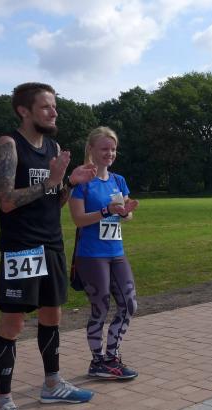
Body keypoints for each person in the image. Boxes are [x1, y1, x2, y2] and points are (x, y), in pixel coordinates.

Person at [0, 82, 97, 410]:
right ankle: (3, 405)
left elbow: (55, 200)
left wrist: (70, 183)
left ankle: (52, 384)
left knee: (53, 315)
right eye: (46, 107)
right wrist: (51, 180)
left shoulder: (52, 147)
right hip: (21, 246)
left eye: (54, 106)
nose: (54, 112)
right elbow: (6, 200)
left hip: (52, 243)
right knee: (14, 323)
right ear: (24, 111)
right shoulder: (10, 144)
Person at [69, 127, 140, 380]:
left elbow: (127, 215)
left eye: (113, 149)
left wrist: (125, 212)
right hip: (91, 255)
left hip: (116, 252)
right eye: (104, 149)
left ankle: (112, 356)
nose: (110, 153)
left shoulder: (118, 180)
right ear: (91, 150)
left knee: (129, 305)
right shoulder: (81, 182)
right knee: (100, 307)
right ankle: (98, 362)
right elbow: (78, 219)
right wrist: (107, 211)